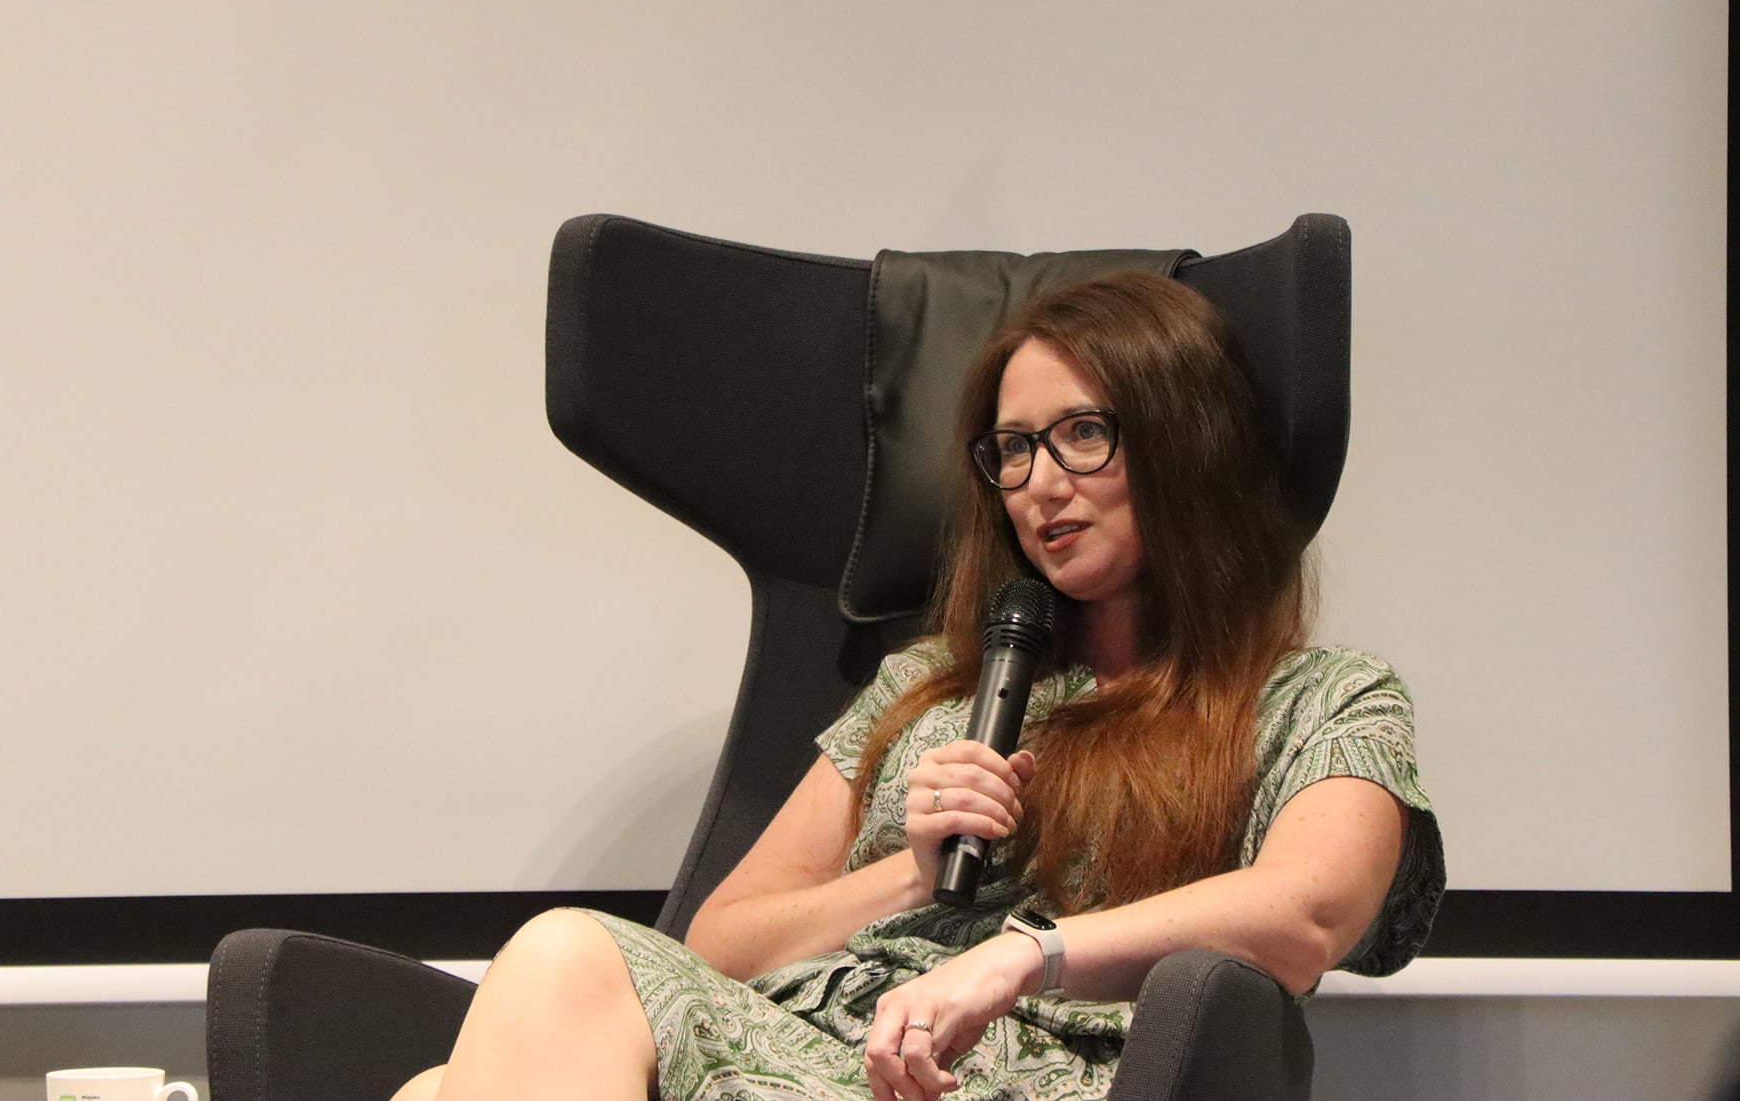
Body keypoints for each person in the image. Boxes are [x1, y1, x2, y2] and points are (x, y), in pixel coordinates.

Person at [397, 271, 1444, 1101]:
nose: (1039, 483)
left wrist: (1020, 958)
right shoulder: (926, 685)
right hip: (800, 1044)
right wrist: (910, 869)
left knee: (492, 1037)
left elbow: (1308, 912)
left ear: (1186, 441)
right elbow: (719, 943)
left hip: (1012, 1070)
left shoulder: (1319, 697)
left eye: (1083, 433)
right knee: (483, 1051)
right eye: (1012, 449)